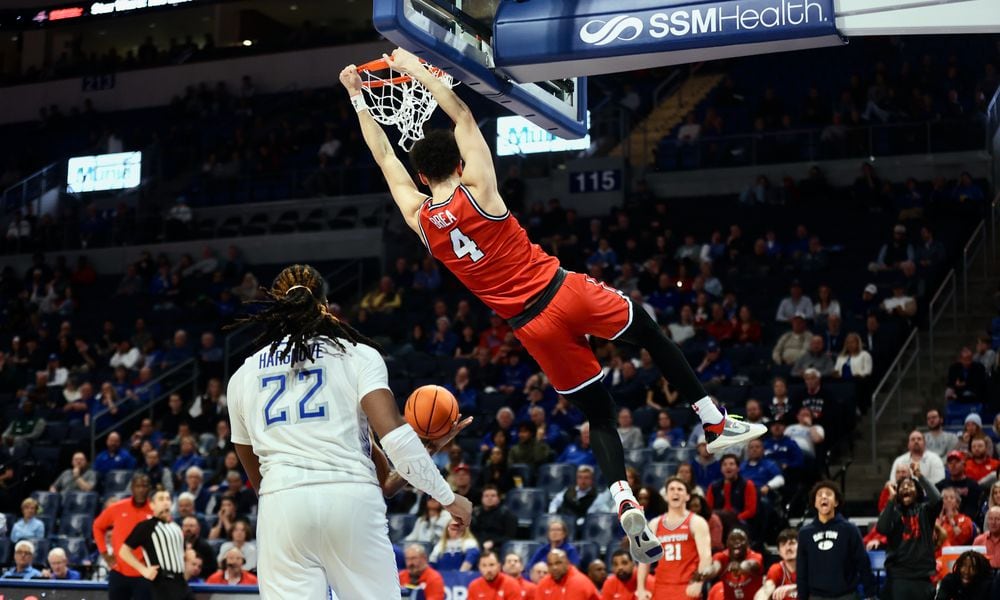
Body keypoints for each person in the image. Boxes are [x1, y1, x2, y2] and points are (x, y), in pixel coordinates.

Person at [342, 49, 765, 562]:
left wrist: (356, 96)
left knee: (600, 416)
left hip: (529, 327)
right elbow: (462, 115)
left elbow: (387, 159)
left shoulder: (421, 222)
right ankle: (713, 420)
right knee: (650, 332)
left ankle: (623, 497)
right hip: (563, 290)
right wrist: (413, 68)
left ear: (424, 179)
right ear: (456, 164)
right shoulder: (480, 190)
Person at [226, 264, 472, 599]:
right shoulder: (357, 355)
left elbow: (256, 473)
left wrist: (288, 498)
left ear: (278, 310)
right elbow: (396, 438)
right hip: (350, 499)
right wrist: (447, 497)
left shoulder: (243, 375)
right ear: (325, 306)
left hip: (280, 505)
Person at [797, 480, 876, 600]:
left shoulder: (850, 529)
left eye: (828, 494)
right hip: (817, 596)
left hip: (846, 595)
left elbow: (863, 563)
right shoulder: (805, 533)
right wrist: (802, 597)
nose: (824, 496)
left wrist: (870, 593)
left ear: (836, 502)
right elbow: (802, 569)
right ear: (814, 503)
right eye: (819, 495)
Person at [637, 477, 712, 600]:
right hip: (661, 588)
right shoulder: (654, 524)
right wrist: (641, 589)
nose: (675, 492)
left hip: (687, 587)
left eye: (680, 489)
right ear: (666, 496)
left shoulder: (697, 522)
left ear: (687, 496)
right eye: (671, 489)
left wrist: (699, 583)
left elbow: (706, 557)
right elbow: (644, 560)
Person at [875, 463, 942, 600]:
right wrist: (891, 500)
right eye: (902, 487)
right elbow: (882, 528)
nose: (906, 488)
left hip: (922, 575)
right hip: (898, 576)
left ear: (917, 492)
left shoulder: (925, 511)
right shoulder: (893, 511)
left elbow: (937, 499)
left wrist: (920, 476)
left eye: (910, 485)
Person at [117, 490, 192, 600]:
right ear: (152, 505)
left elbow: (182, 554)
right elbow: (124, 551)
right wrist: (143, 570)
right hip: (162, 583)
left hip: (181, 582)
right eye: (161, 499)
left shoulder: (176, 527)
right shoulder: (146, 527)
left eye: (168, 499)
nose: (166, 502)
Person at [93, 473, 154, 600]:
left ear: (149, 489)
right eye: (138, 486)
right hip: (119, 572)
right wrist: (105, 554)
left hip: (145, 573)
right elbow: (97, 526)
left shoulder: (155, 510)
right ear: (132, 488)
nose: (141, 490)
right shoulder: (118, 507)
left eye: (145, 486)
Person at [536, 549, 600, 600]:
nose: (554, 568)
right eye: (550, 564)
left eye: (558, 563)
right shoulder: (543, 585)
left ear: (567, 563)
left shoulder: (580, 583)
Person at [754, 528, 797, 600]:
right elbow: (766, 590)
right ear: (779, 552)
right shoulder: (776, 569)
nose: (788, 548)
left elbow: (820, 588)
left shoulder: (811, 566)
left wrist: (794, 587)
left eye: (791, 543)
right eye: (783, 545)